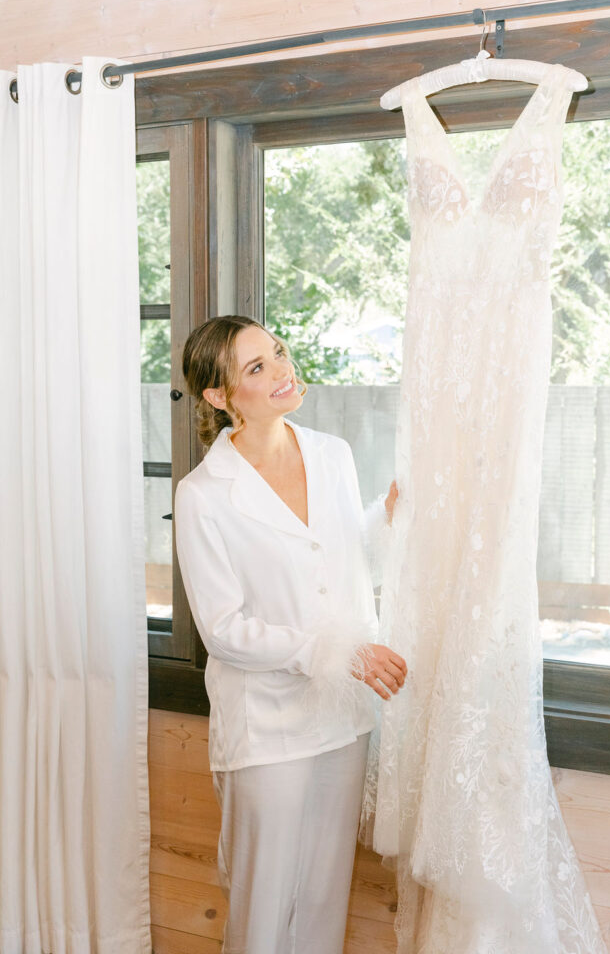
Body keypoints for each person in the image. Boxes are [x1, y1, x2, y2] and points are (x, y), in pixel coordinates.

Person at [173, 314, 406, 954]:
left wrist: (385, 521)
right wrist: (330, 651)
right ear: (219, 397)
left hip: (342, 711)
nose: (282, 371)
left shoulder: (332, 454)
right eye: (256, 368)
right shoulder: (203, 496)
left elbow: (334, 555)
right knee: (265, 898)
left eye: (277, 353)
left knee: (326, 890)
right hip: (265, 723)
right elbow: (223, 629)